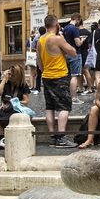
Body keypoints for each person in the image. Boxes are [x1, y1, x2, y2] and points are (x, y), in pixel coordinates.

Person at [37, 15, 79, 147]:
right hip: (59, 76)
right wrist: (64, 39)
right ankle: (61, 137)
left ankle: (52, 137)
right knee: (64, 106)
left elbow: (39, 62)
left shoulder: (40, 40)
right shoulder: (57, 38)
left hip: (46, 76)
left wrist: (45, 71)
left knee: (49, 107)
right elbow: (73, 53)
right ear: (56, 25)